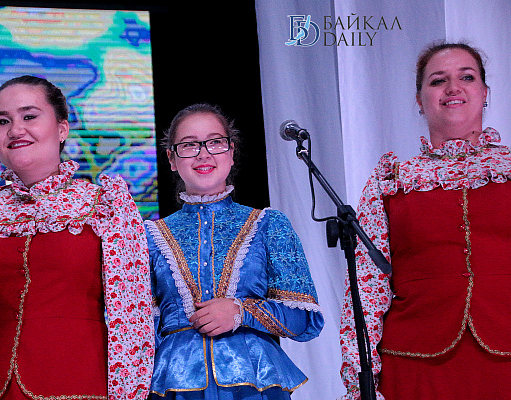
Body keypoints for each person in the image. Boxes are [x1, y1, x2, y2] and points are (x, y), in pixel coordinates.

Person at [0, 75, 154, 400]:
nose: (15, 130)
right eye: (2, 121)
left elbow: (132, 317)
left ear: (62, 129)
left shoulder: (105, 205)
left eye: (29, 116)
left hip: (81, 387)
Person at [340, 42, 511, 400]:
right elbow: (366, 287)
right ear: (419, 100)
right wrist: (361, 378)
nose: (453, 88)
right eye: (438, 80)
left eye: (467, 77)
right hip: (414, 366)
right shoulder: (392, 180)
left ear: (485, 92)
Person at [146, 103, 324, 399]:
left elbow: (304, 320)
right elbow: (138, 330)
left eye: (215, 142)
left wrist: (241, 312)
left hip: (255, 385)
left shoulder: (268, 224)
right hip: (176, 387)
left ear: (231, 152)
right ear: (172, 159)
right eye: (189, 145)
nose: (203, 154)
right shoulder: (148, 237)